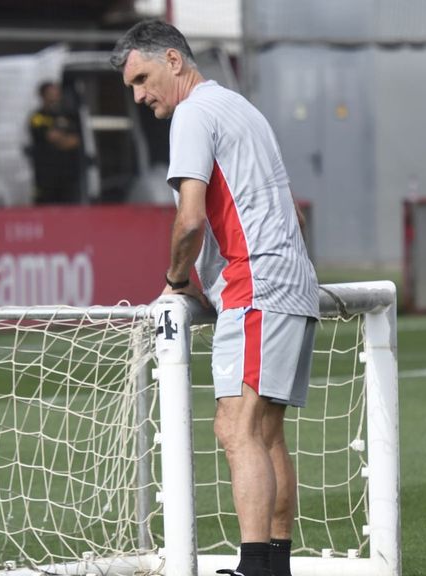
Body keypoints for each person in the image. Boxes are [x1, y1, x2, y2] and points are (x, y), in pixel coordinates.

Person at [112, 20, 319, 576]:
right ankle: (274, 566)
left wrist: (175, 280)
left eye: (143, 78)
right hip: (290, 279)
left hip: (257, 284)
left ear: (174, 61)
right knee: (265, 430)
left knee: (235, 428)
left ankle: (254, 569)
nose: (139, 95)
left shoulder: (193, 114)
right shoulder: (238, 106)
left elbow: (190, 219)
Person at [26, 81, 83, 205]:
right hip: (46, 176)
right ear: (42, 96)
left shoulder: (68, 115)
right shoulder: (37, 117)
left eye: (57, 93)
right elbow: (51, 137)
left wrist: (60, 139)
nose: (55, 97)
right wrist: (63, 139)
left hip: (67, 174)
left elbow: (75, 141)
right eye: (51, 94)